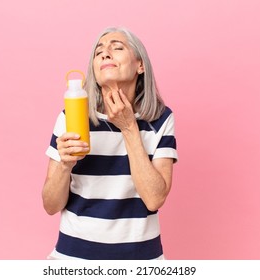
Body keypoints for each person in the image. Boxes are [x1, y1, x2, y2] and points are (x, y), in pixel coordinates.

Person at [42, 27, 178, 260]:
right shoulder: (71, 118)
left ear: (140, 65)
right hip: (73, 259)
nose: (105, 54)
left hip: (140, 260)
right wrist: (64, 165)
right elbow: (50, 205)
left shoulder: (161, 119)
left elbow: (155, 198)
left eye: (117, 47)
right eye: (98, 52)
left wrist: (129, 128)